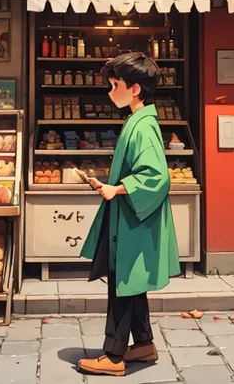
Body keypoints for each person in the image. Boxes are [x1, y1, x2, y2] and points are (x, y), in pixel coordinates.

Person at [76, 52, 180, 377]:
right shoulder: (141, 121)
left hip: (131, 222)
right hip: (133, 220)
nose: (110, 91)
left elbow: (157, 176)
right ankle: (145, 344)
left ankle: (114, 355)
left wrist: (117, 189)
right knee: (132, 284)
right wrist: (108, 186)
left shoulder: (143, 126)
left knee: (121, 285)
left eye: (115, 85)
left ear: (134, 89)